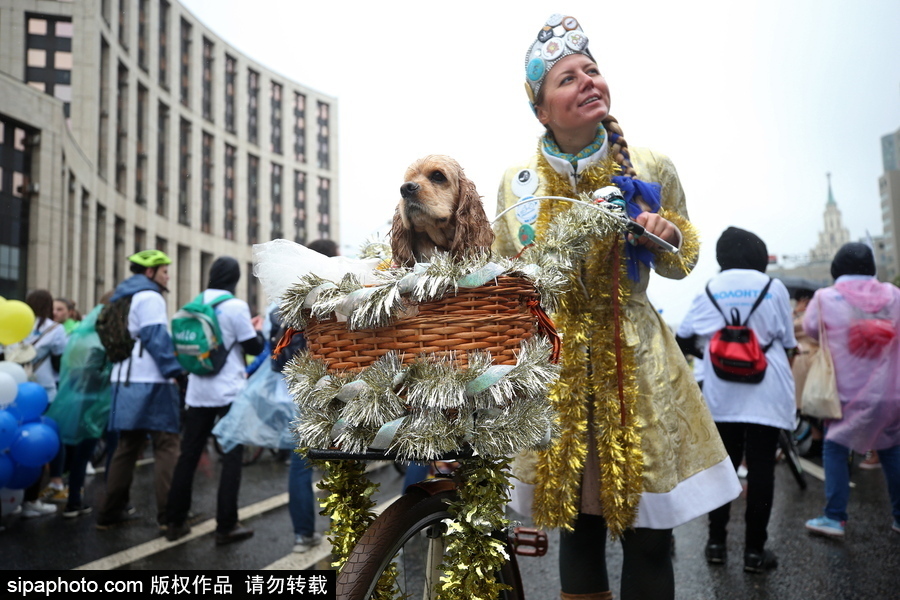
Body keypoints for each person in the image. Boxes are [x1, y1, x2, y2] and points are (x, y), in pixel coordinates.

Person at [492, 15, 741, 600]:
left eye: (592, 70)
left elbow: (681, 261)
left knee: (650, 535)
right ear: (541, 109)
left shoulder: (651, 166)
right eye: (567, 78)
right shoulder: (517, 183)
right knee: (578, 527)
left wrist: (666, 236)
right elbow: (507, 276)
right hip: (556, 367)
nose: (587, 82)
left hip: (638, 363)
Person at [677, 227, 797, 573]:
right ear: (759, 254)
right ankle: (755, 553)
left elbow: (683, 339)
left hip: (722, 394)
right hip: (768, 394)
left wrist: (714, 350)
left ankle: (715, 544)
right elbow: (787, 340)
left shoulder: (711, 289)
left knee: (723, 469)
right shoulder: (774, 288)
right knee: (761, 471)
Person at [164, 256, 265, 545]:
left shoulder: (194, 304)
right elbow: (252, 346)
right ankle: (226, 524)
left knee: (189, 454)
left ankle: (175, 521)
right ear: (235, 280)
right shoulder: (235, 306)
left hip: (197, 390)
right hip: (228, 390)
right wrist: (255, 329)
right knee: (231, 456)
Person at [803, 242, 900, 538]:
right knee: (892, 449)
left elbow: (809, 330)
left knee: (835, 447)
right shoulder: (894, 295)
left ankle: (834, 517)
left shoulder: (824, 298)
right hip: (890, 391)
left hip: (845, 391)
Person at [96, 250, 185, 530]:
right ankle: (170, 518)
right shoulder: (150, 296)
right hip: (153, 381)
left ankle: (110, 512)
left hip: (123, 379)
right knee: (167, 445)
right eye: (164, 270)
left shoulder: (121, 296)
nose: (167, 275)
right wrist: (176, 372)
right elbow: (156, 338)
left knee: (127, 447)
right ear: (150, 272)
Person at [45, 291, 115, 518]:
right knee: (107, 450)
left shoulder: (80, 333)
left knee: (78, 454)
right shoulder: (104, 336)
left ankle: (73, 499)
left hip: (75, 398)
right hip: (97, 403)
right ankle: (107, 503)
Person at [19, 289, 68, 517]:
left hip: (14, 392)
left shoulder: (15, 325)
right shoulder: (55, 329)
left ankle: (13, 499)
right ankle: (33, 499)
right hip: (45, 393)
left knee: (14, 444)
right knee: (42, 443)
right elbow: (61, 361)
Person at [792, 287, 824, 458]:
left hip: (806, 361)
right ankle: (817, 438)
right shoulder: (819, 313)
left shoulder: (807, 317)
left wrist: (795, 313)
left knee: (808, 403)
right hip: (810, 360)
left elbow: (785, 329)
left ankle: (818, 439)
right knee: (811, 403)